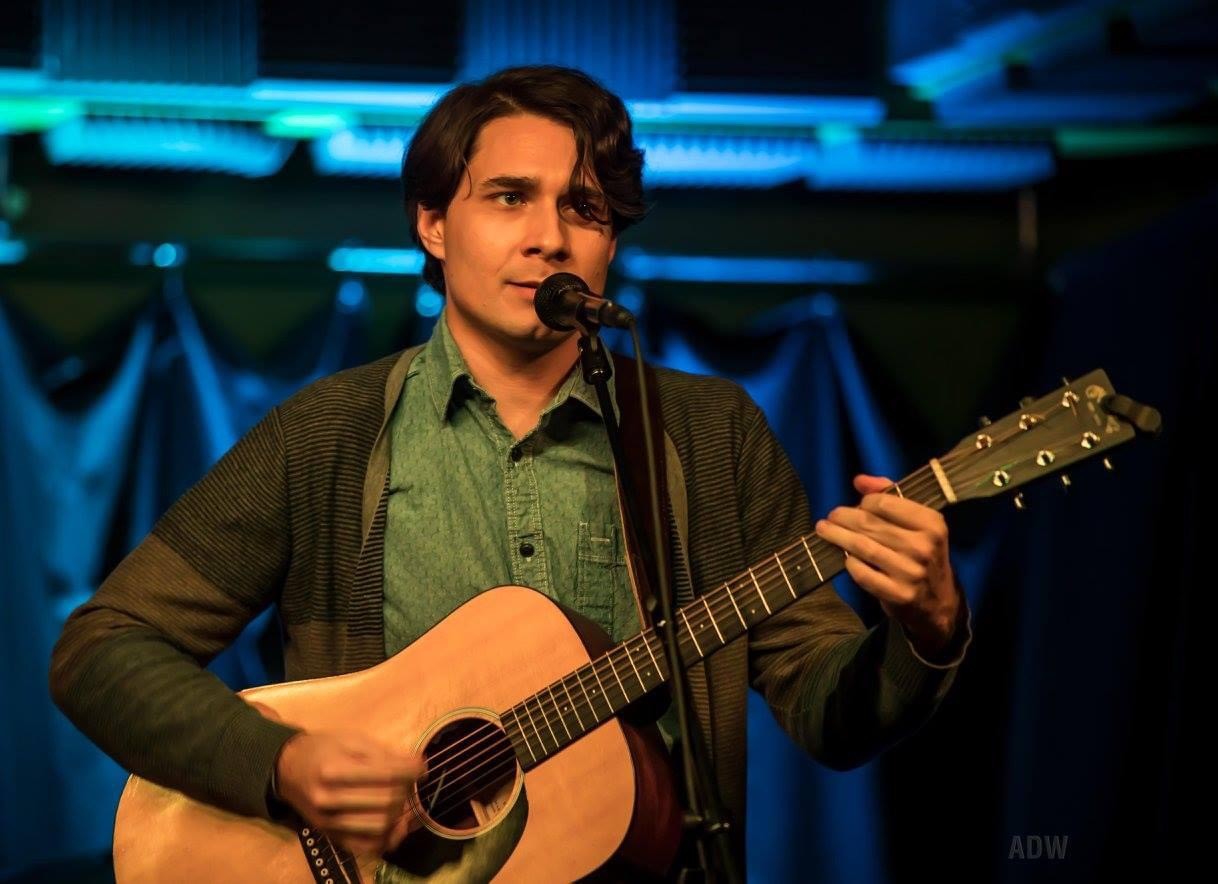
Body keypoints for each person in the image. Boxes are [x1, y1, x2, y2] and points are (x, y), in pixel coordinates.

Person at [50, 65, 970, 878]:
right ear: (433, 223)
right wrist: (281, 763)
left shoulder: (712, 434)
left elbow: (829, 714)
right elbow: (101, 651)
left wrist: (921, 630)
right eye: (508, 197)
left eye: (585, 208)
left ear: (611, 243)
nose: (550, 238)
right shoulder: (324, 437)